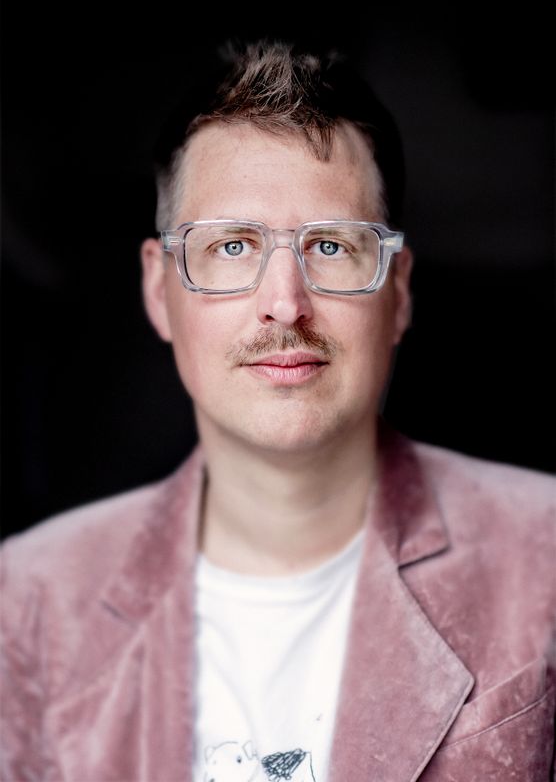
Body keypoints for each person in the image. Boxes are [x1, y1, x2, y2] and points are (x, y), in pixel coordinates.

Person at [1, 38, 554, 782]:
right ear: (159, 290)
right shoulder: (25, 599)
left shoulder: (545, 556)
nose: (285, 304)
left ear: (398, 292)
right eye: (231, 247)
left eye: (332, 245)